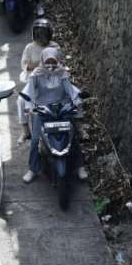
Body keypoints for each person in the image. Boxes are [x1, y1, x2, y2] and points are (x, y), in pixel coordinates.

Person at [21, 49, 88, 183]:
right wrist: (30, 107)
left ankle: (80, 167)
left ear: (58, 61)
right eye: (48, 62)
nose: (50, 65)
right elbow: (30, 93)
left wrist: (76, 101)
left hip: (61, 108)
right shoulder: (36, 74)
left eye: (53, 61)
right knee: (35, 139)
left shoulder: (62, 74)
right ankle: (33, 169)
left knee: (72, 135)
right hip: (42, 109)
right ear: (42, 61)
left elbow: (70, 90)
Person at [17, 20, 60, 141]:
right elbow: (25, 65)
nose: (42, 38)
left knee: (73, 96)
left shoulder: (55, 46)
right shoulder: (29, 48)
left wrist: (38, 65)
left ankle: (78, 126)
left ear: (49, 34)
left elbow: (60, 63)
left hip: (53, 81)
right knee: (21, 100)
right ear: (34, 34)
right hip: (34, 82)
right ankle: (25, 130)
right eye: (39, 34)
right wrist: (42, 65)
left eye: (44, 34)